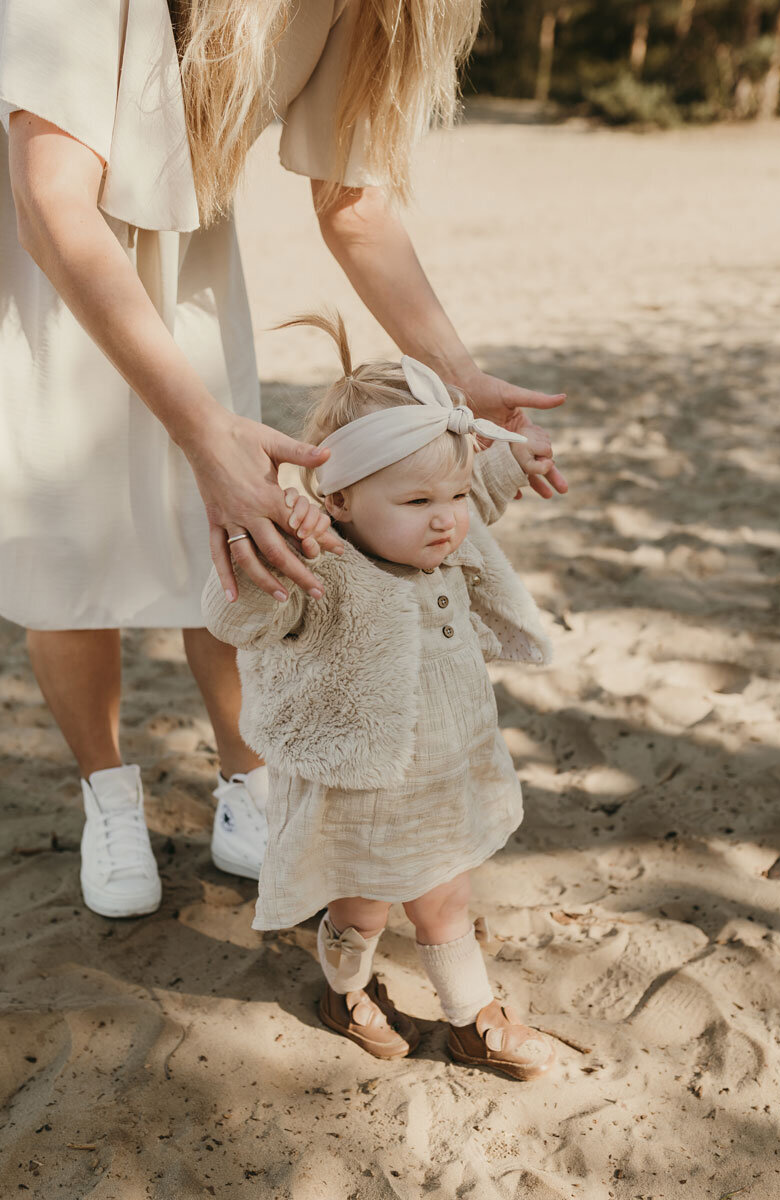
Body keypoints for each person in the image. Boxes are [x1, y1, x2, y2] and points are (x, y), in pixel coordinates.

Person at [0, 0, 566, 919]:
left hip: (190, 267)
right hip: (41, 274)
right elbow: (47, 201)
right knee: (65, 548)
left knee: (225, 538)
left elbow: (353, 203)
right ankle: (108, 795)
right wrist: (201, 430)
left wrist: (459, 376)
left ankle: (247, 783)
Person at [202, 313, 558, 1081]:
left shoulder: (444, 531)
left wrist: (514, 460)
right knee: (358, 911)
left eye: (455, 493)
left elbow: (473, 493)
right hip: (361, 792)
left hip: (446, 775)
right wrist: (273, 543)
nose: (447, 517)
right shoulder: (319, 567)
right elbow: (237, 615)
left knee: (447, 902)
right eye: (418, 501)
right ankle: (347, 992)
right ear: (336, 501)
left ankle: (471, 1018)